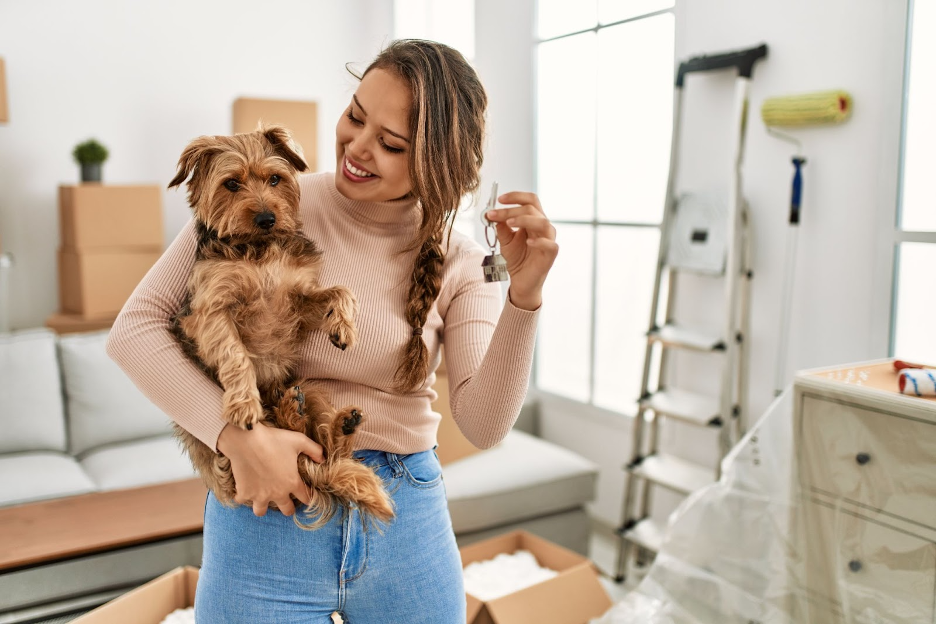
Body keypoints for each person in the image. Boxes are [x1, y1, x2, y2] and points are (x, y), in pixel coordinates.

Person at [106, 39, 558, 623]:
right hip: (266, 513)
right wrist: (236, 437)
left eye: (391, 143)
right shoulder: (270, 199)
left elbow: (484, 423)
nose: (357, 148)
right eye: (355, 115)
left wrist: (525, 296)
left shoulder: (465, 261)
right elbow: (134, 331)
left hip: (405, 525)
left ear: (437, 166)